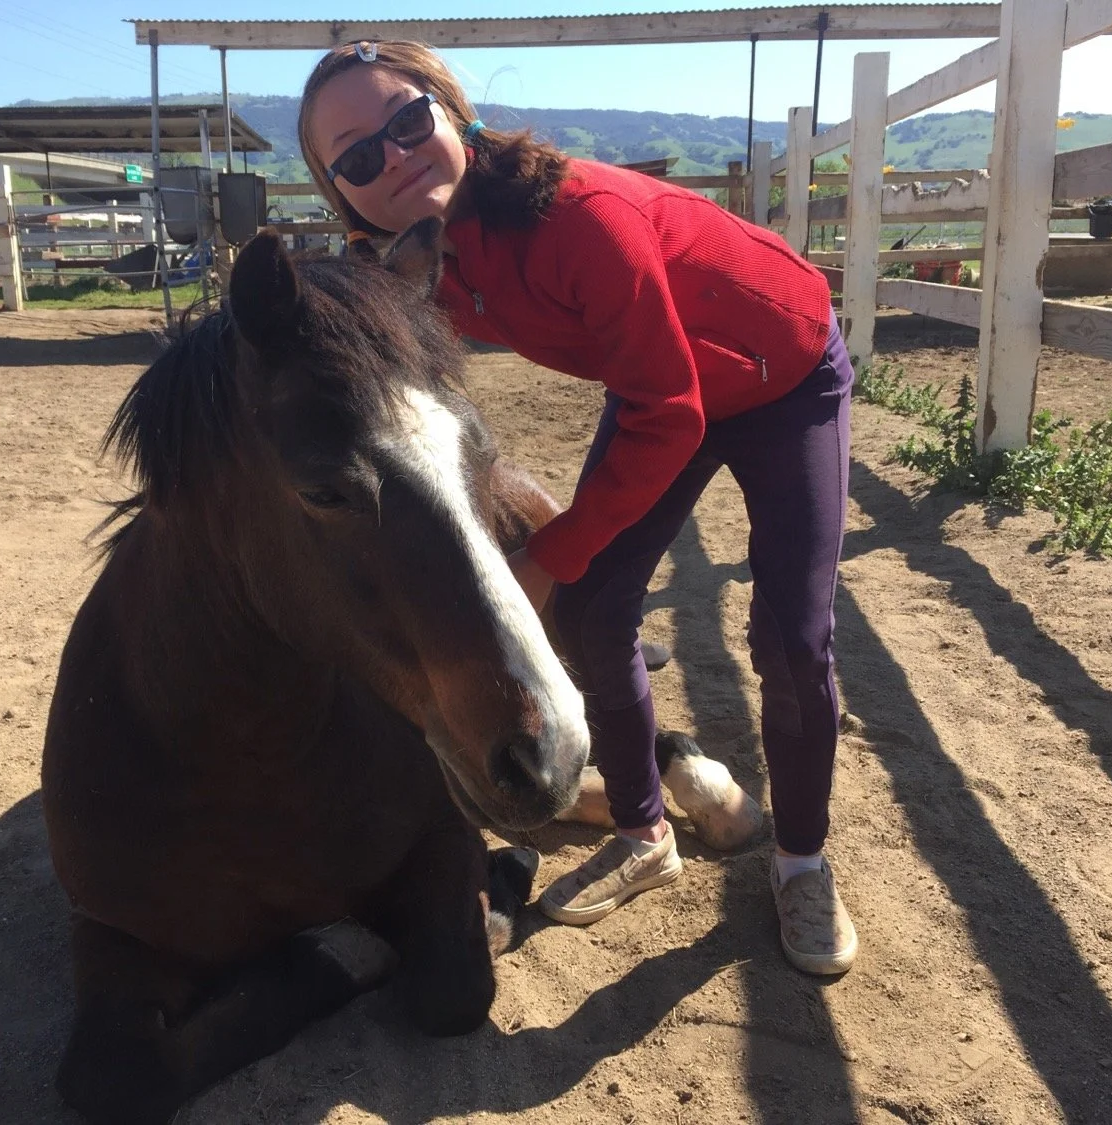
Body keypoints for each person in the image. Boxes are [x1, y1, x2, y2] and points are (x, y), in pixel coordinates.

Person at [298, 40, 858, 975]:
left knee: (793, 640)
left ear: (451, 111)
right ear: (338, 189)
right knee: (599, 613)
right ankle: (645, 830)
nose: (392, 158)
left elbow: (670, 410)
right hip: (658, 387)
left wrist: (549, 550)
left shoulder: (581, 219)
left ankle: (801, 859)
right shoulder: (397, 264)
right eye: (357, 156)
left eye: (405, 122)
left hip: (780, 376)